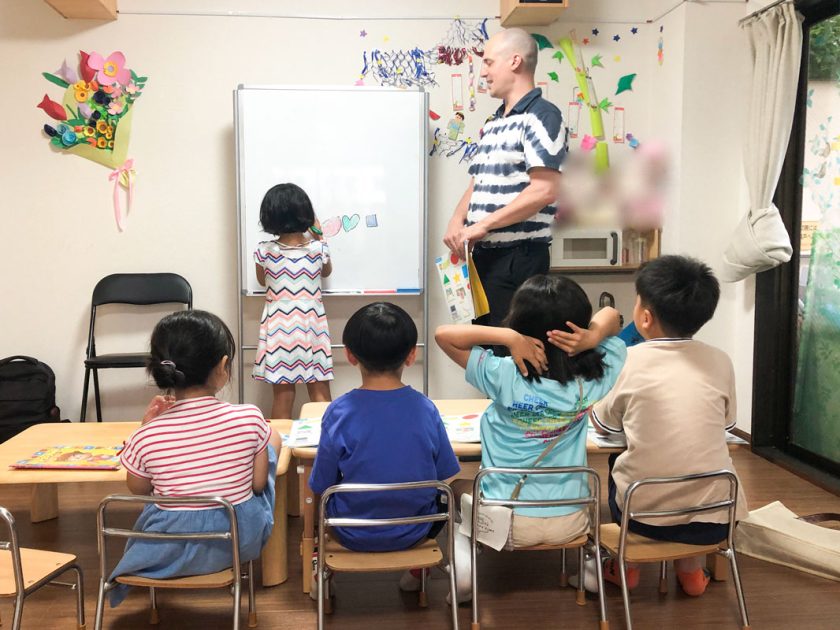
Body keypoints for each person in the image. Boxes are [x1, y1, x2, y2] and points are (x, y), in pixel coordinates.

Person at [436, 275, 626, 602]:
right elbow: (614, 317)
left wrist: (508, 337)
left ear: (520, 321)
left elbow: (444, 336)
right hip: (572, 522)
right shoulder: (597, 374)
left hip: (506, 525)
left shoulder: (505, 373)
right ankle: (590, 566)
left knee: (455, 488)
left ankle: (465, 569)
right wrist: (593, 336)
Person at [590, 255, 749, 597]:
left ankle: (627, 566)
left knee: (616, 461)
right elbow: (726, 424)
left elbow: (602, 422)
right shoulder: (720, 360)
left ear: (644, 318)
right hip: (718, 515)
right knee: (701, 465)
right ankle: (691, 573)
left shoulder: (627, 361)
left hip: (643, 513)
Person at [109, 310, 282, 606]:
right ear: (223, 366)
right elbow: (256, 485)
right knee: (269, 440)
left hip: (167, 548)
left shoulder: (147, 435)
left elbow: (138, 489)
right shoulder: (249, 417)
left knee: (157, 496)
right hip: (237, 542)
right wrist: (269, 441)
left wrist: (145, 428)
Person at [308, 303, 460, 594]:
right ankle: (417, 572)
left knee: (313, 491)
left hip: (349, 529)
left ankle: (320, 568)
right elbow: (445, 473)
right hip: (415, 529)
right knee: (445, 493)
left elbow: (322, 483)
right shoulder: (426, 409)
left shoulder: (337, 412)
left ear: (350, 355)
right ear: (412, 354)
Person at [443, 27, 568, 327]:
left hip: (518, 258)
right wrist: (456, 221)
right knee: (486, 349)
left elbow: (544, 191)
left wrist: (482, 225)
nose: (483, 72)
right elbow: (478, 181)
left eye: (488, 62)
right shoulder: (495, 121)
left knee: (512, 354)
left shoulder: (542, 116)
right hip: (485, 255)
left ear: (514, 62)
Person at [253, 183, 333, 419]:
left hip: (280, 328)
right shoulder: (318, 249)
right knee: (320, 393)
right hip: (312, 327)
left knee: (283, 396)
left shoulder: (264, 250)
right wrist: (319, 235)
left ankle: (281, 454)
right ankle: (327, 449)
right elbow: (326, 272)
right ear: (306, 214)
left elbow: (262, 281)